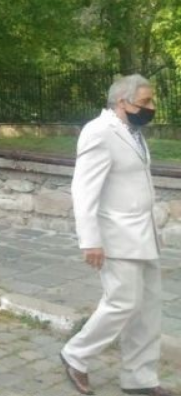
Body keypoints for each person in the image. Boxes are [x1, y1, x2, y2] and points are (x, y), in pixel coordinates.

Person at [60, 75, 174, 396]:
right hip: (115, 235)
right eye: (145, 102)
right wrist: (90, 240)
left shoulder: (132, 131)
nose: (151, 108)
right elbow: (83, 190)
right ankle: (76, 353)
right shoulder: (99, 132)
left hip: (145, 233)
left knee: (147, 308)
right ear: (122, 102)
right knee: (122, 302)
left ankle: (139, 378)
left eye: (152, 101)